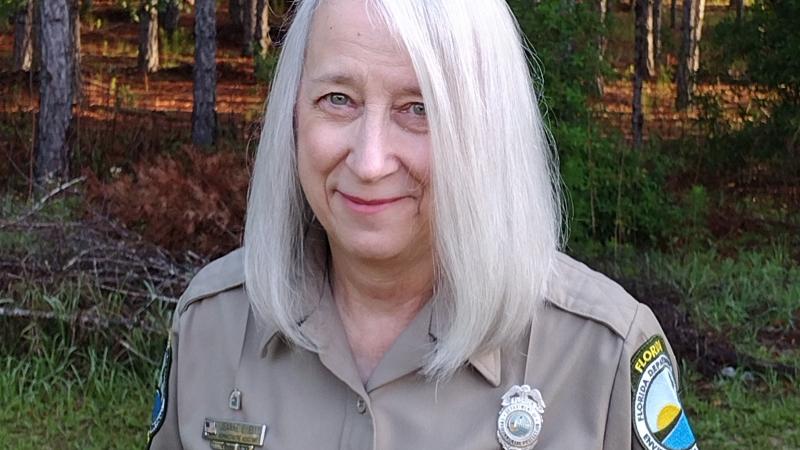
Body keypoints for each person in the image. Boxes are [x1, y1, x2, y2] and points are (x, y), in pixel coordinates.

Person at [147, 0, 698, 448]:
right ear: (293, 113)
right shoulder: (210, 326)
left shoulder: (602, 356)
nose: (369, 161)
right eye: (337, 99)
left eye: (420, 109)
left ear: (487, 128)